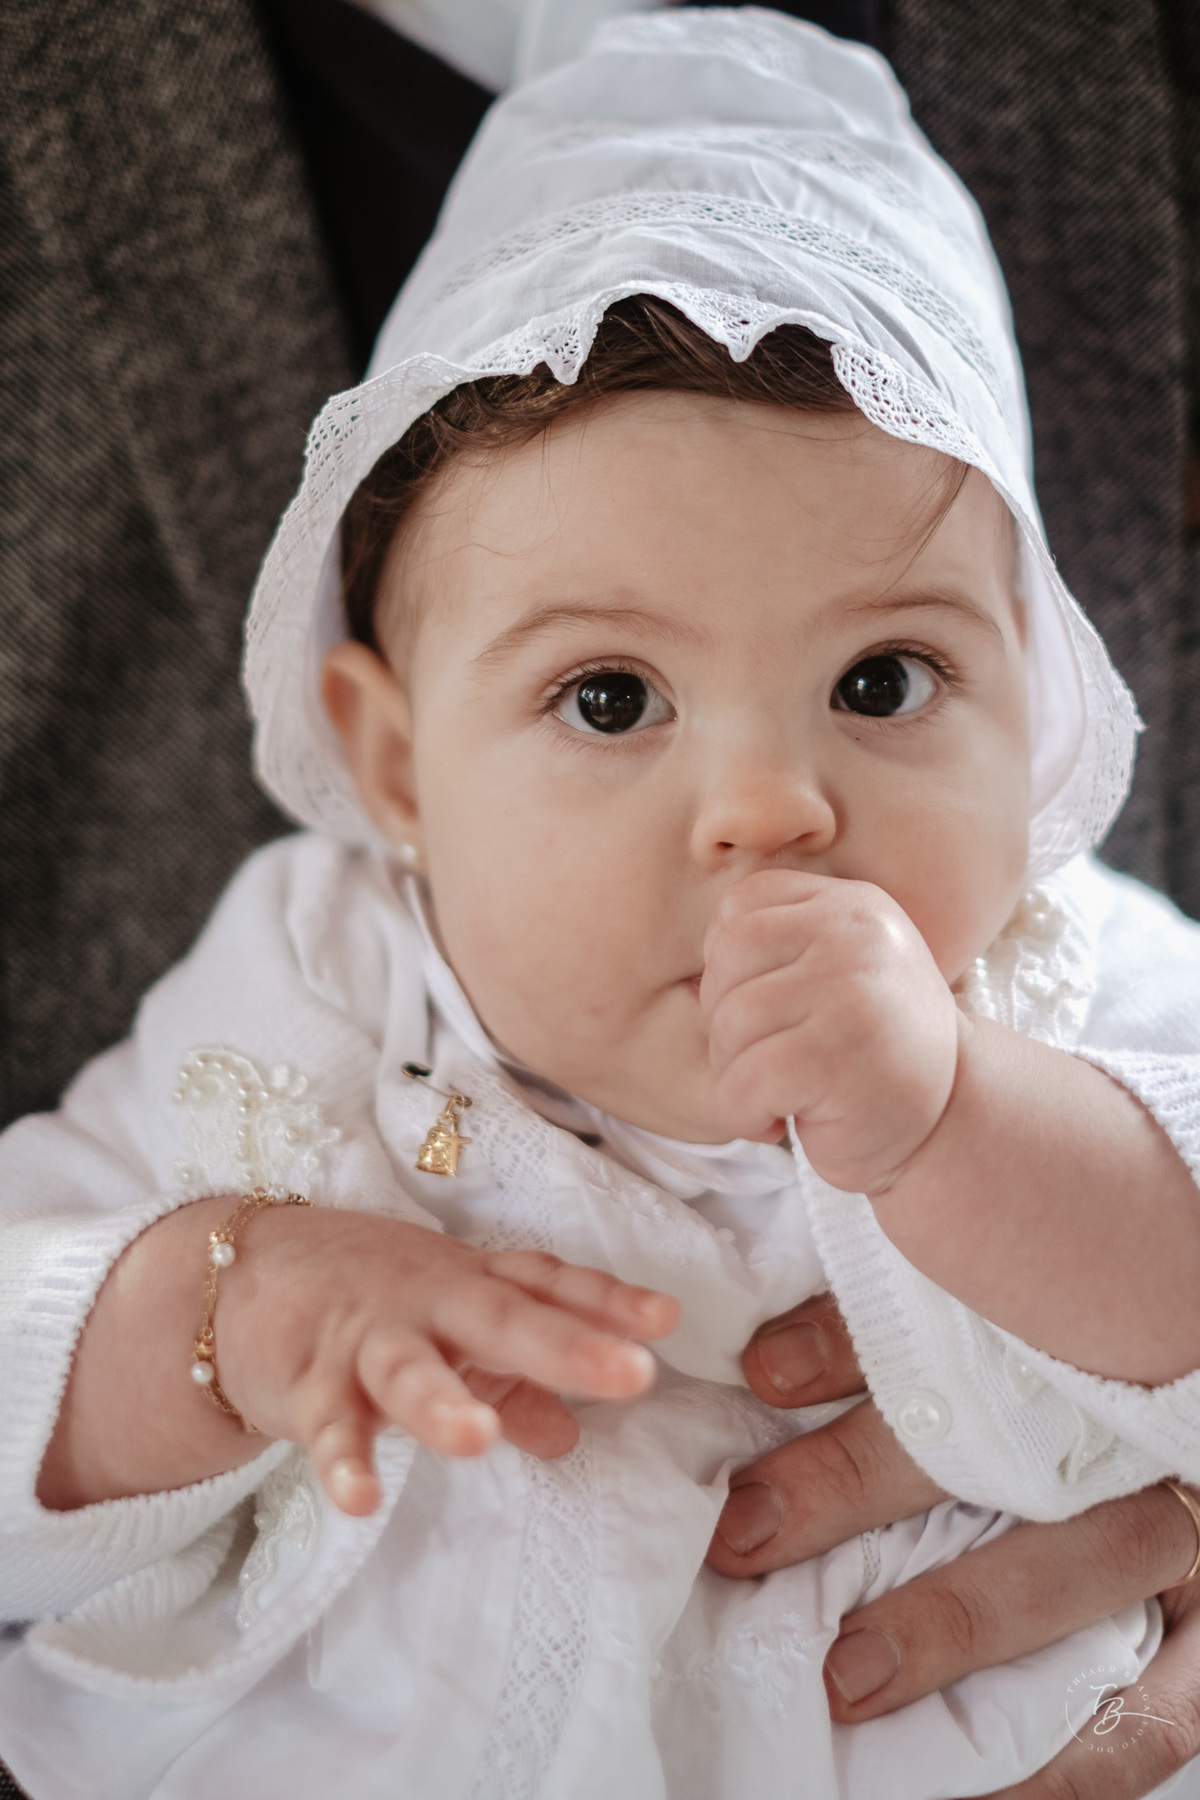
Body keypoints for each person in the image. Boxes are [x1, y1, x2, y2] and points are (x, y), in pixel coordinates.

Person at [0, 10, 1198, 1797]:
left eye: (882, 680)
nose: (770, 809)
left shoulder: (1062, 974)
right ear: (393, 761)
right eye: (612, 699)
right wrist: (213, 1312)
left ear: (1038, 697)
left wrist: (961, 1117)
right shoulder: (322, 982)